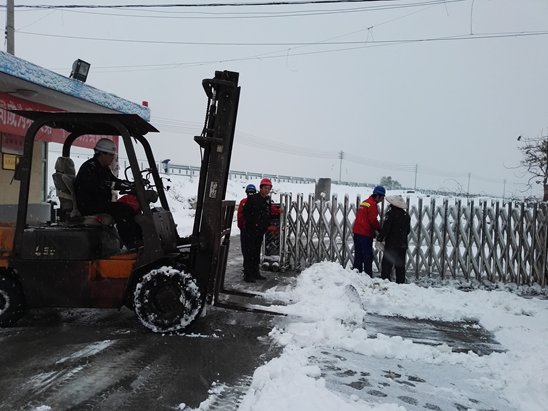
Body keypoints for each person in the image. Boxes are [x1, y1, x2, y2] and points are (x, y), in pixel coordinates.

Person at [74, 138, 142, 248]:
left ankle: (139, 239)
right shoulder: (89, 168)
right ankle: (131, 242)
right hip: (89, 205)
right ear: (101, 153)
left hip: (99, 204)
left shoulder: (103, 168)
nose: (113, 158)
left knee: (129, 208)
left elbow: (113, 180)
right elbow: (97, 184)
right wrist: (115, 185)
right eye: (111, 155)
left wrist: (130, 184)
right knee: (123, 210)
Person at [242, 178, 275, 283]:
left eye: (269, 189)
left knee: (256, 252)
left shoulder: (267, 200)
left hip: (260, 231)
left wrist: (265, 225)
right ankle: (248, 274)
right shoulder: (252, 199)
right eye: (265, 188)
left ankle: (256, 272)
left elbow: (268, 213)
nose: (267, 190)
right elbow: (245, 212)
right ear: (261, 188)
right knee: (249, 252)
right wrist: (252, 222)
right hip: (251, 230)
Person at [377, 195, 411, 284]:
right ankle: (400, 282)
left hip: (391, 244)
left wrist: (380, 239)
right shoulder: (406, 216)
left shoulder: (390, 214)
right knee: (400, 265)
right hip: (402, 244)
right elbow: (408, 230)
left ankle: (385, 281)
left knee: (387, 265)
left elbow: (386, 229)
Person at [352, 185, 385, 276]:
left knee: (358, 255)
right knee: (367, 256)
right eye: (381, 198)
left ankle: (356, 273)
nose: (381, 201)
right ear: (377, 196)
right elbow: (373, 220)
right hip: (365, 233)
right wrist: (379, 229)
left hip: (357, 231)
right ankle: (367, 275)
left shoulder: (364, 202)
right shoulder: (372, 204)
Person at [237, 184, 257, 270]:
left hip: (245, 229)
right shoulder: (258, 201)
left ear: (246, 192)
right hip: (255, 230)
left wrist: (241, 227)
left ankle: (247, 268)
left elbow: (240, 216)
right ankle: (254, 269)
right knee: (255, 249)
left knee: (246, 250)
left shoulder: (243, 202)